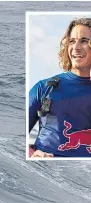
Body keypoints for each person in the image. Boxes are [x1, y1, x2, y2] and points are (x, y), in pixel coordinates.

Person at [28, 17, 91, 158]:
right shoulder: (44, 87)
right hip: (48, 167)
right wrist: (32, 153)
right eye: (72, 41)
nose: (76, 47)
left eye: (84, 41)